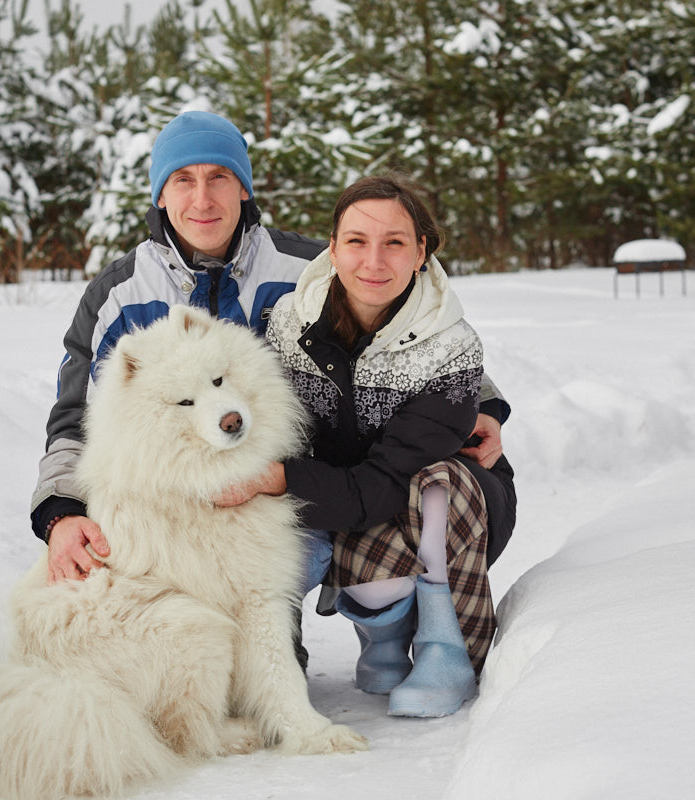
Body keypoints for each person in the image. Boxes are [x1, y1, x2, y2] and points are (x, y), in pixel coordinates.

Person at [30, 112, 510, 598]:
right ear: (159, 194)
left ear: (244, 188)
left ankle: (283, 641)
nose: (202, 198)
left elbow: (414, 331)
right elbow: (74, 417)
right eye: (182, 180)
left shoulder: (303, 269)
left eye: (220, 176)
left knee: (303, 558)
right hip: (169, 498)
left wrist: (484, 405)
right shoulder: (118, 294)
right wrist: (61, 512)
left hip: (280, 487)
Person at [216, 173, 517, 718]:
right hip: (342, 492)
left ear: (421, 251)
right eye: (356, 241)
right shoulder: (289, 325)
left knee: (436, 483)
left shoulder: (451, 348)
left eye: (395, 242)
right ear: (332, 248)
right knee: (337, 553)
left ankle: (444, 648)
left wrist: (282, 479)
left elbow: (385, 481)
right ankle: (378, 637)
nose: (373, 261)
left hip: (445, 503)